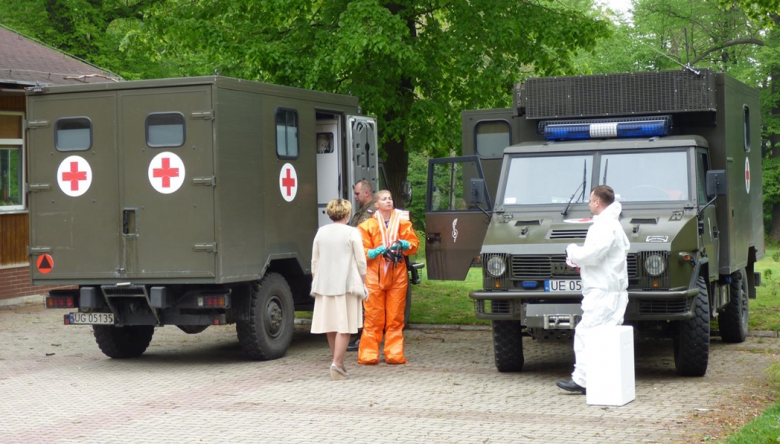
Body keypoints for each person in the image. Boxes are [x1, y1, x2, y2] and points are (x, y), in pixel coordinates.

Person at [557, 185, 630, 394]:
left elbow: (592, 254)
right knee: (604, 337)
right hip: (612, 290)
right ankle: (600, 380)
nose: (589, 204)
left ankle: (582, 380)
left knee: (586, 333)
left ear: (598, 202)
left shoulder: (605, 226)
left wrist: (572, 251)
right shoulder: (613, 225)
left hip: (602, 292)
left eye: (590, 200)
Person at [357, 190, 419, 365]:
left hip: (397, 273)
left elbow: (413, 245)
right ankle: (368, 354)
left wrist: (406, 245)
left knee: (395, 317)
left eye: (390, 198)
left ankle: (394, 354)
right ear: (376, 204)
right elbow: (360, 252)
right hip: (374, 275)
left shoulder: (402, 223)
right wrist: (373, 252)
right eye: (384, 199)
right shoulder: (366, 226)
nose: (388, 201)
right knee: (373, 317)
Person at [310, 198, 368, 380]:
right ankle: (336, 363)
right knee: (345, 326)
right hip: (346, 284)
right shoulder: (352, 232)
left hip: (325, 284)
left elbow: (314, 261)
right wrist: (363, 280)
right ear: (347, 213)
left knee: (331, 325)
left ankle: (339, 363)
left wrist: (316, 279)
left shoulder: (321, 232)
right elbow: (360, 261)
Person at [346, 180, 375, 352]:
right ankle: (362, 335)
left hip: (368, 262)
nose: (355, 197)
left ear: (367, 193)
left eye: (357, 194)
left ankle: (363, 337)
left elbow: (359, 233)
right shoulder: (363, 211)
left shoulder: (372, 211)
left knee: (366, 302)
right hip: (360, 259)